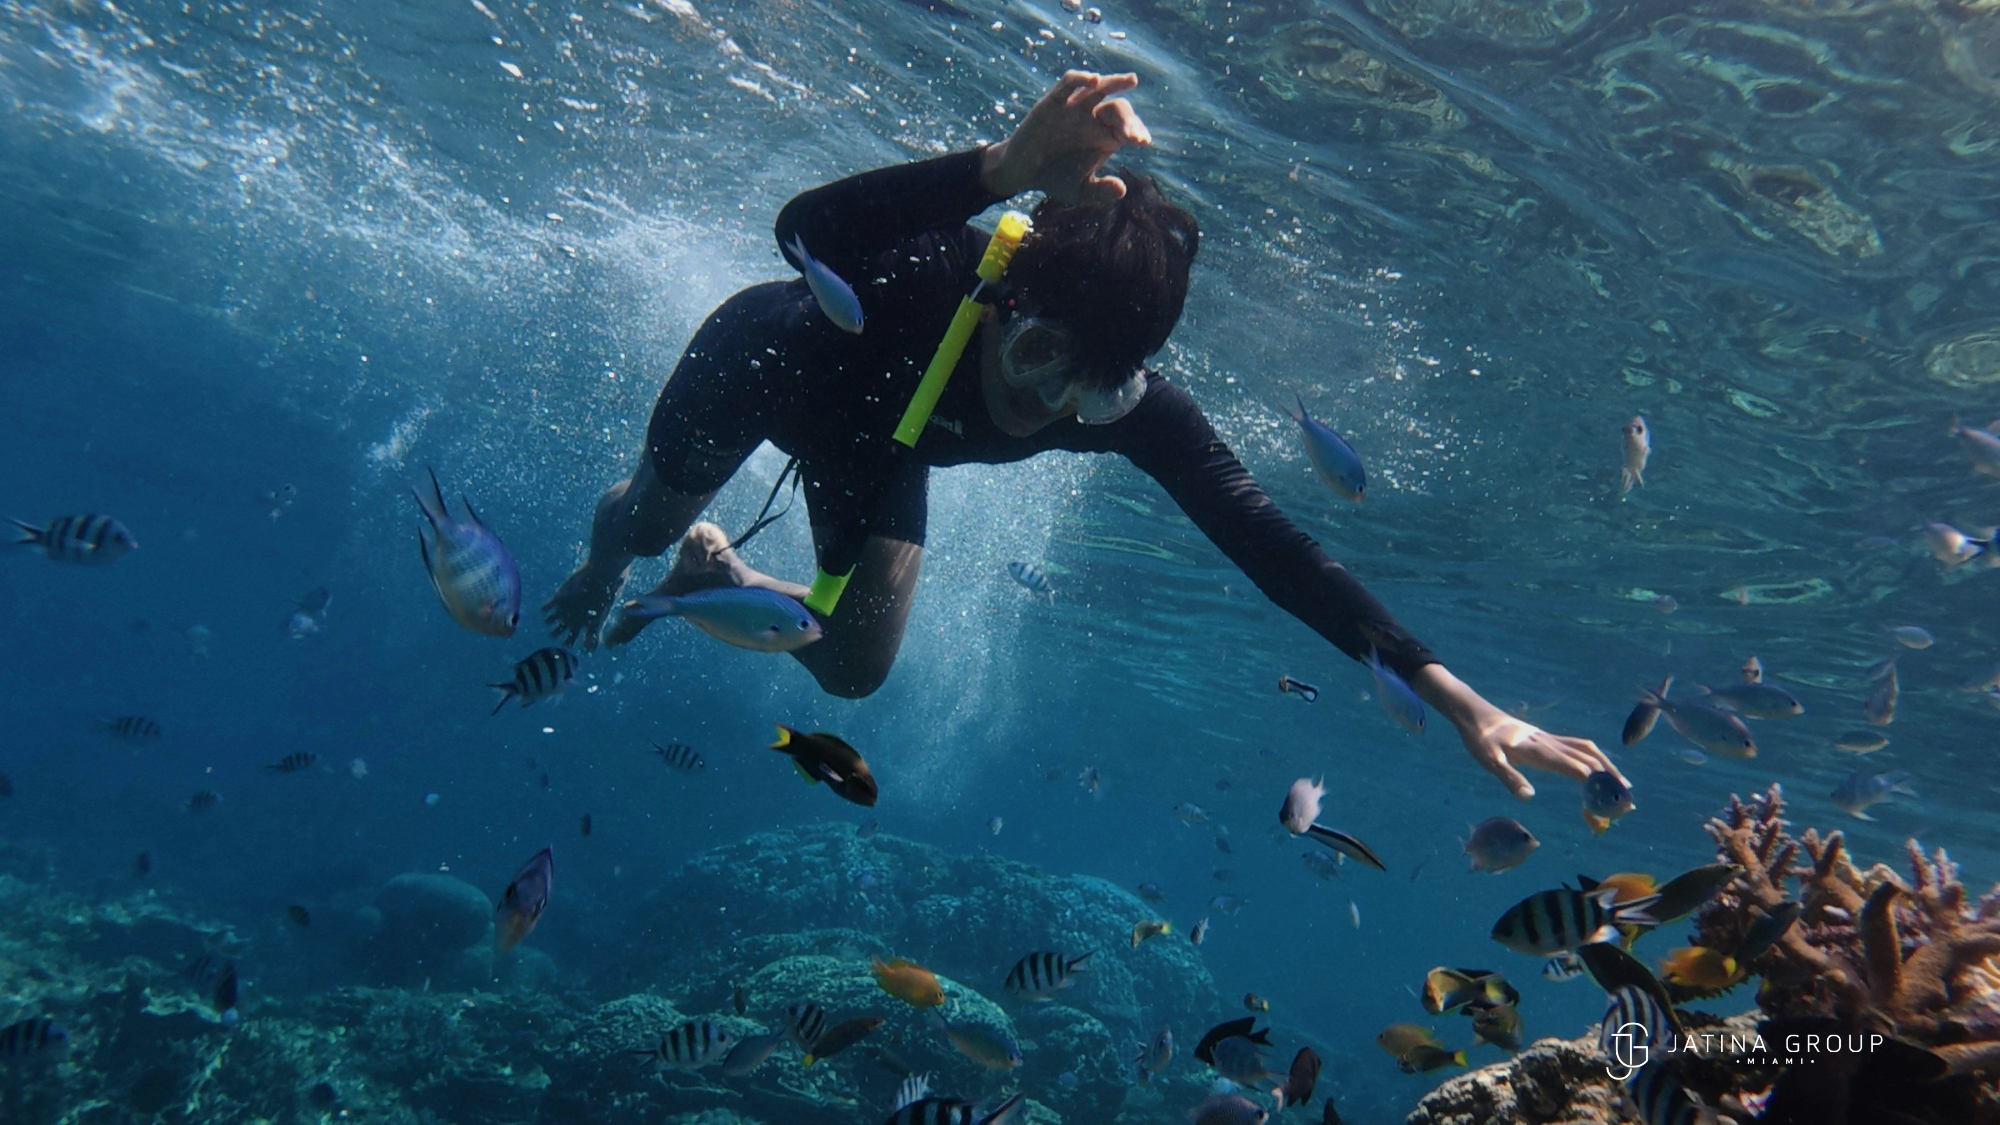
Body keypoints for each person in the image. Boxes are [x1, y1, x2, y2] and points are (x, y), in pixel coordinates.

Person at [545, 70, 1622, 802]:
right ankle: (615, 563)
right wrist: (1003, 165)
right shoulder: (936, 270)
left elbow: (1273, 550)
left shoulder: (1120, 399)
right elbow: (801, 233)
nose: (1052, 401)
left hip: (879, 450)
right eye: (1041, 355)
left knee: (855, 674)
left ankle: (716, 574)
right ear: (1006, 299)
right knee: (642, 523)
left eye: (1094, 386)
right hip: (768, 369)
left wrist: (1453, 693)